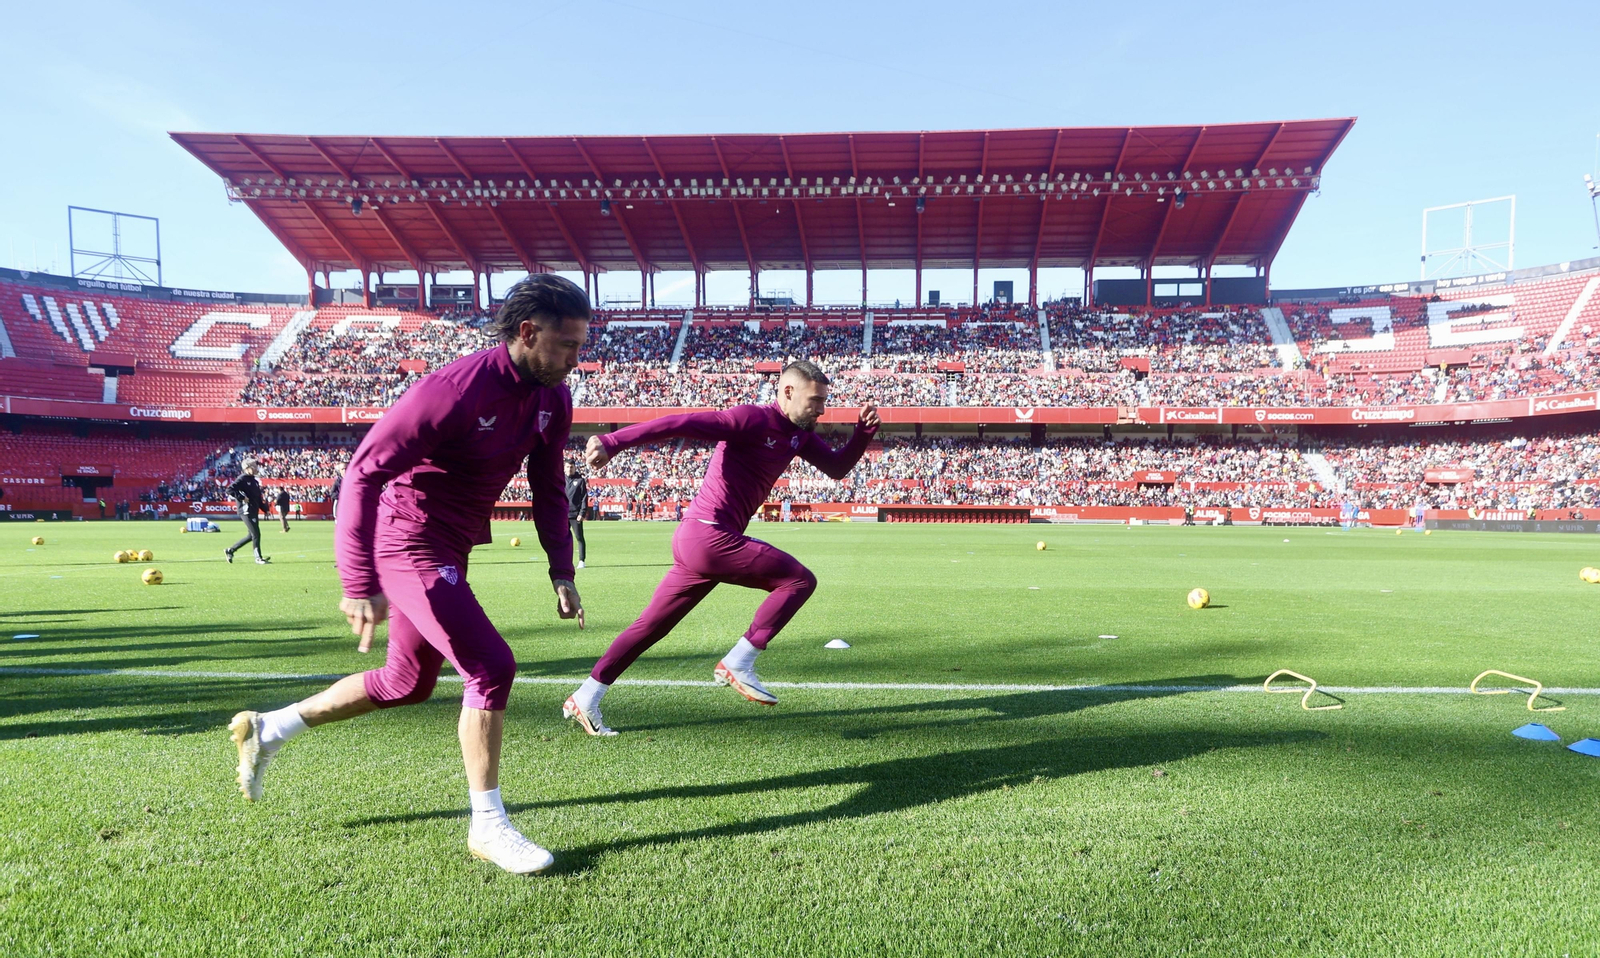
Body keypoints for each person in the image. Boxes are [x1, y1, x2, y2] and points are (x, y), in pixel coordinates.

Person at [226, 274, 591, 875]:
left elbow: (550, 487)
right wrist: (357, 582)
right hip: (406, 540)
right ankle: (488, 824)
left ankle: (269, 729)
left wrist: (561, 569)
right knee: (491, 665)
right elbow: (362, 472)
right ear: (527, 333)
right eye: (567, 345)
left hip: (451, 545)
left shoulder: (553, 397)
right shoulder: (452, 392)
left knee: (407, 683)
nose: (576, 360)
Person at [563, 360, 879, 736]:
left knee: (650, 627)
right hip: (709, 536)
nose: (822, 409)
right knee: (798, 582)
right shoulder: (751, 419)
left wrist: (862, 434)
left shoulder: (799, 436)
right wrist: (614, 441)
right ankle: (739, 662)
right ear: (788, 392)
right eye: (815, 400)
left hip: (700, 541)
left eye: (824, 401)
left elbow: (838, 467)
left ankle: (586, 695)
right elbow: (681, 423)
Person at [225, 460, 270, 564]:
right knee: (256, 534)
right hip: (246, 511)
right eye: (254, 466)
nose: (256, 468)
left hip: (253, 510)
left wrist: (265, 509)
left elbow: (258, 498)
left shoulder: (254, 481)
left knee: (251, 535)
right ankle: (258, 558)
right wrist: (242, 497)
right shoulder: (242, 479)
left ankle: (230, 550)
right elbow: (229, 490)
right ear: (247, 468)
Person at [565, 461, 588, 570]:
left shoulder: (580, 481)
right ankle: (563, 561)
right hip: (563, 515)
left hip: (575, 515)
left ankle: (581, 560)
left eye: (571, 467)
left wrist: (582, 513)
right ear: (564, 468)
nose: (570, 469)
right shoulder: (560, 479)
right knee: (562, 539)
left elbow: (584, 498)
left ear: (575, 468)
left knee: (579, 537)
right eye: (568, 467)